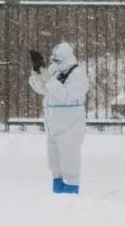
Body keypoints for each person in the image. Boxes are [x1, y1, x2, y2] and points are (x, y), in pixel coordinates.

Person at [29, 42, 89, 194]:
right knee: (55, 157)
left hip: (70, 124)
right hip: (53, 123)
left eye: (58, 60)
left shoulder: (78, 75)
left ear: (67, 58)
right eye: (53, 60)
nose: (54, 64)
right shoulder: (55, 70)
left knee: (69, 156)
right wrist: (38, 72)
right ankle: (58, 187)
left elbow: (65, 95)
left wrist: (48, 79)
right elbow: (43, 89)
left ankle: (71, 189)